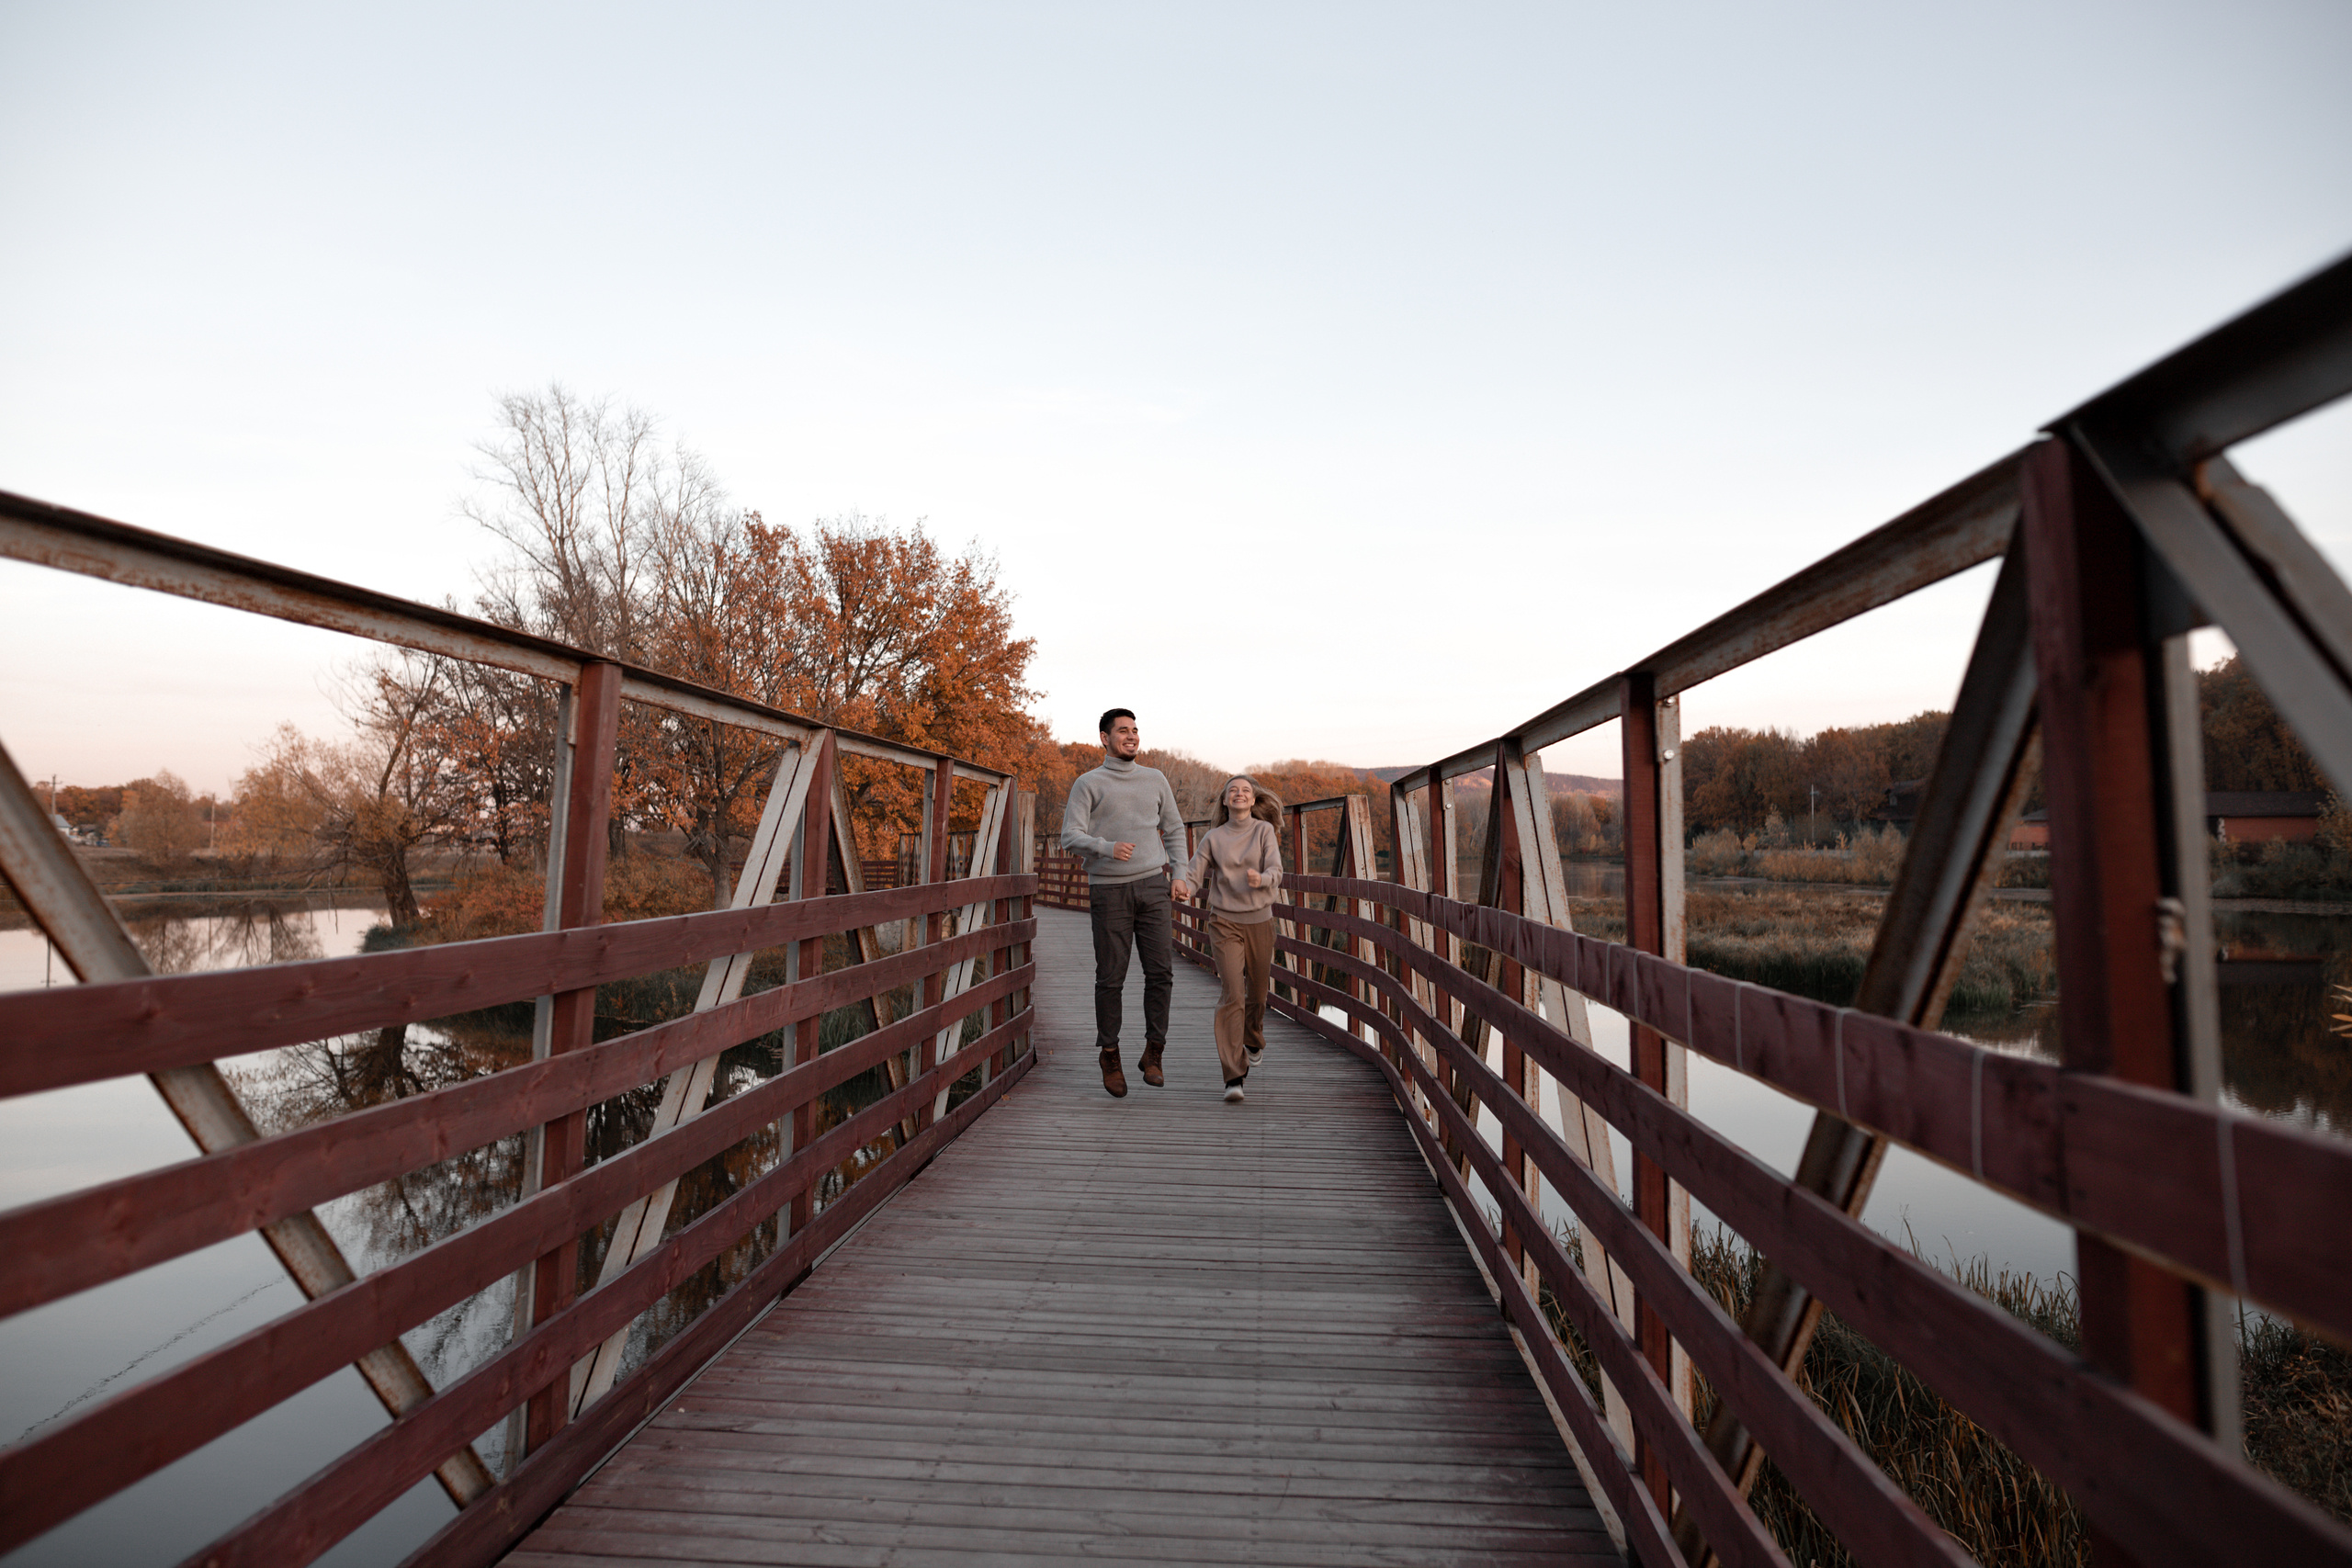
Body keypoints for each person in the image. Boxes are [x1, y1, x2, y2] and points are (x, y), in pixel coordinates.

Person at [1061, 708, 1188, 1098]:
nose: (1131, 736)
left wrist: (1180, 873)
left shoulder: (1156, 779)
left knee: (1161, 973)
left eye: (1135, 730)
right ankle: (1110, 1054)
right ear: (1105, 738)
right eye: (1122, 731)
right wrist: (1106, 848)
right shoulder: (1088, 783)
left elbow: (1175, 828)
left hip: (1153, 885)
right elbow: (1070, 836)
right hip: (1109, 890)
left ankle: (1154, 1053)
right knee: (1111, 977)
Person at [1171, 775, 1283, 1103]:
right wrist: (1186, 888)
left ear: (1252, 800)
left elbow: (1276, 870)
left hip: (1260, 921)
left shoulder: (1264, 832)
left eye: (1245, 790)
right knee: (1233, 993)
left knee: (1257, 994)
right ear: (1224, 801)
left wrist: (1260, 878)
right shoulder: (1213, 837)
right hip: (1224, 922)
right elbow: (1195, 871)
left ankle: (1253, 1039)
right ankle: (1234, 1077)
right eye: (1233, 790)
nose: (1239, 794)